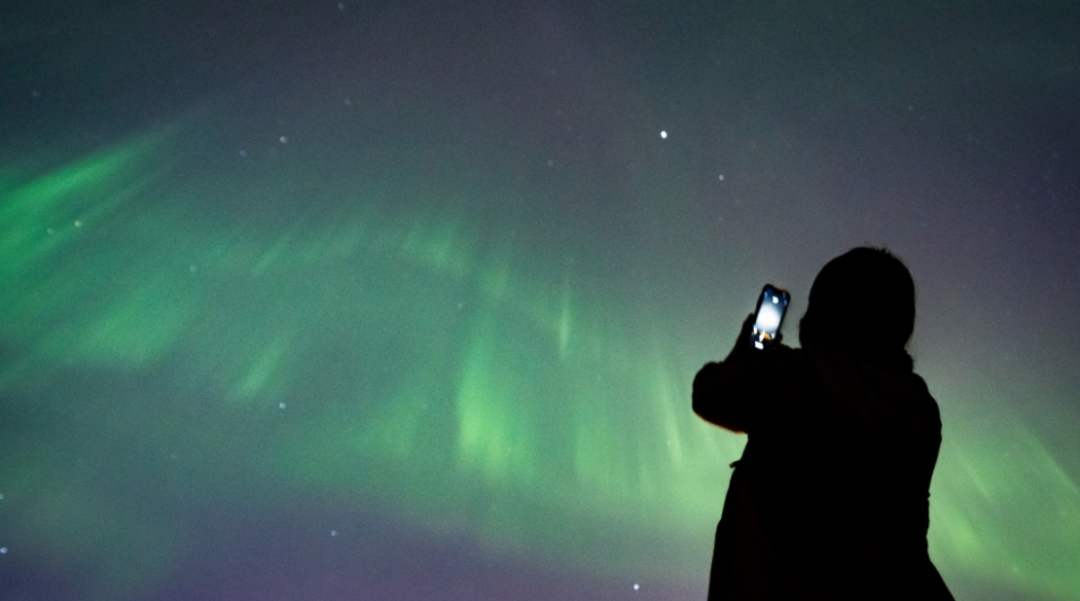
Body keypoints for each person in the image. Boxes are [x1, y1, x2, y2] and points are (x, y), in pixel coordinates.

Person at [692, 247, 953, 600]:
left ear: (822, 312)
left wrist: (749, 353)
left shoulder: (789, 378)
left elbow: (709, 394)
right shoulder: (922, 414)